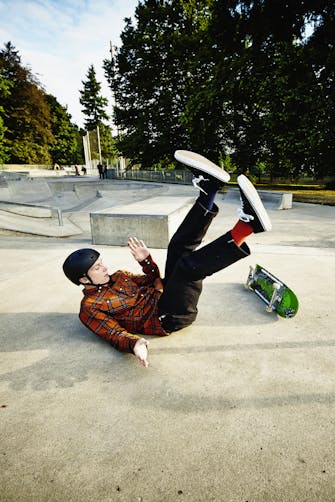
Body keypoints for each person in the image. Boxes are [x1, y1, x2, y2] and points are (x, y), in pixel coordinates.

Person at [62, 150, 272, 367]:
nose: (104, 268)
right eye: (97, 269)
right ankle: (247, 226)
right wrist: (135, 344)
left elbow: (156, 280)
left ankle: (209, 190)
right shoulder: (90, 307)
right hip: (167, 317)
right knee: (187, 268)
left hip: (164, 296)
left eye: (101, 263)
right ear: (84, 280)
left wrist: (146, 261)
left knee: (177, 247)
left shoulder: (119, 277)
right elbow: (112, 332)